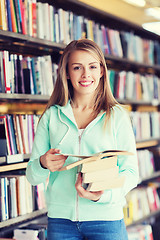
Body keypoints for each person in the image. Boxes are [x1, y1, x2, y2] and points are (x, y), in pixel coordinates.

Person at [26, 39, 139, 240]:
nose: (86, 74)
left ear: (102, 71)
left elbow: (131, 172)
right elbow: (32, 177)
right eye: (77, 67)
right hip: (61, 223)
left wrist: (103, 195)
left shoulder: (117, 115)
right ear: (67, 73)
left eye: (93, 66)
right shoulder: (52, 116)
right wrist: (43, 163)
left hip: (107, 221)